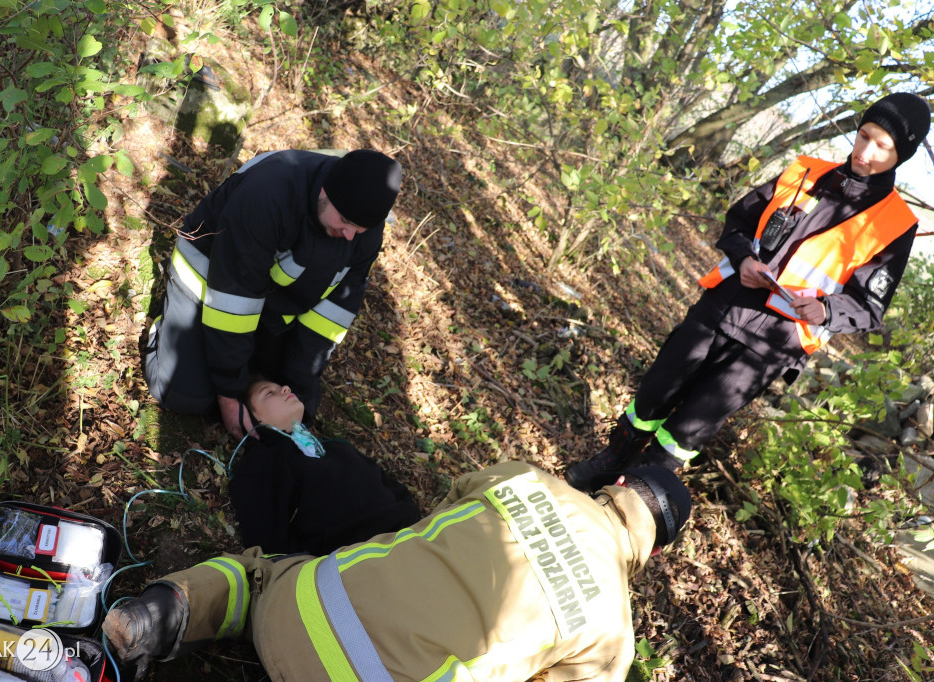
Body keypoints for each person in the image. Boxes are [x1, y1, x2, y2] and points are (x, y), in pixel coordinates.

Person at [566, 91, 931, 489]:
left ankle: (633, 492)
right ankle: (614, 456)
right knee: (657, 387)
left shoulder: (895, 223)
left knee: (693, 424)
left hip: (774, 341)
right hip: (723, 304)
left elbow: (869, 307)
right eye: (864, 136)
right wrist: (743, 259)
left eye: (883, 145)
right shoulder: (804, 172)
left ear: (902, 154)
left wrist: (826, 310)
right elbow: (739, 220)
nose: (866, 151)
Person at [102, 462, 692, 681]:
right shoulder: (614, 634)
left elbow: (439, 512)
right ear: (655, 552)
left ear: (616, 486)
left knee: (259, 575)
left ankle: (157, 613)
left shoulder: (530, 479)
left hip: (301, 612)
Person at [144, 149, 403, 437]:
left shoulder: (364, 229)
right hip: (206, 279)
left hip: (270, 299)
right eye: (344, 221)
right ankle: (163, 330)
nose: (351, 236)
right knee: (186, 393)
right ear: (325, 191)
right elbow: (234, 298)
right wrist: (229, 395)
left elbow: (331, 318)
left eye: (362, 228)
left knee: (286, 393)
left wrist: (301, 391)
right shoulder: (270, 193)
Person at [231, 375, 420, 555]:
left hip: (412, 536)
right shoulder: (264, 462)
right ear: (253, 419)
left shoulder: (337, 446)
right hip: (364, 557)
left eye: (281, 387)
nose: (285, 388)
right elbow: (267, 540)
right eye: (269, 393)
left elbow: (394, 487)